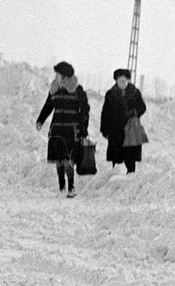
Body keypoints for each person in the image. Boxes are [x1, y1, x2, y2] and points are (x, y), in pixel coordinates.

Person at [36, 61, 89, 197]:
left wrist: (83, 129)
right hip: (57, 128)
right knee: (58, 159)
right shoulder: (54, 89)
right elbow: (48, 106)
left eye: (57, 75)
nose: (56, 77)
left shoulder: (78, 90)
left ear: (65, 77)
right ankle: (61, 187)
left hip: (71, 130)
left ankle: (71, 187)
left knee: (68, 159)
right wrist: (40, 120)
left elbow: (85, 110)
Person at [100, 68, 147, 174]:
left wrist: (133, 112)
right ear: (116, 81)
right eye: (119, 80)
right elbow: (105, 112)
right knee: (116, 155)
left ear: (128, 81)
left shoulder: (135, 93)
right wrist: (104, 128)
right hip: (115, 128)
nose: (122, 83)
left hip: (131, 128)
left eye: (124, 80)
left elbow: (142, 107)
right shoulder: (110, 94)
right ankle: (116, 174)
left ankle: (130, 174)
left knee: (130, 155)